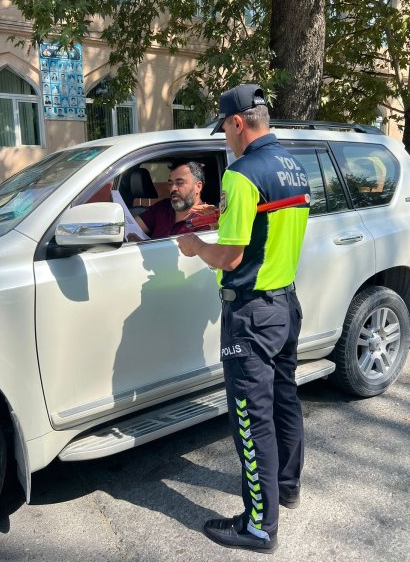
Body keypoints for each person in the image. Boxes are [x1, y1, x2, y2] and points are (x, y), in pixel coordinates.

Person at [177, 84, 310, 554]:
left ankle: (259, 526)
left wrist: (195, 247)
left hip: (250, 312)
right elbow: (268, 222)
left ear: (238, 122)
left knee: (252, 420)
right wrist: (226, 215)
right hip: (286, 304)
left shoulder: (241, 174)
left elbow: (231, 258)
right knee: (284, 400)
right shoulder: (294, 165)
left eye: (226, 130)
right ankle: (287, 488)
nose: (225, 141)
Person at [133, 161, 211, 239]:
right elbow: (131, 229)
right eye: (170, 184)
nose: (173, 188)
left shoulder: (207, 219)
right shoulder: (163, 207)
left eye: (180, 183)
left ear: (198, 187)